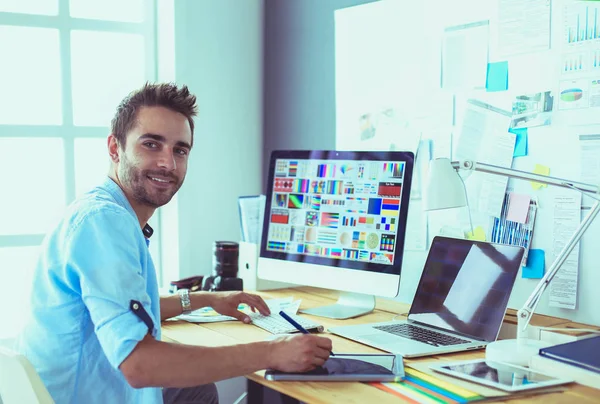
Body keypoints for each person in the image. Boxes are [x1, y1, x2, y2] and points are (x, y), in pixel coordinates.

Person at [16, 82, 333, 404]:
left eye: (179, 150)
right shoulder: (104, 222)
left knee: (196, 390)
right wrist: (272, 352)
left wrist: (205, 299)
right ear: (115, 148)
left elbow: (121, 304)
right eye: (152, 144)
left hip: (74, 386)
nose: (168, 163)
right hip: (78, 396)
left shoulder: (103, 211)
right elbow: (140, 366)